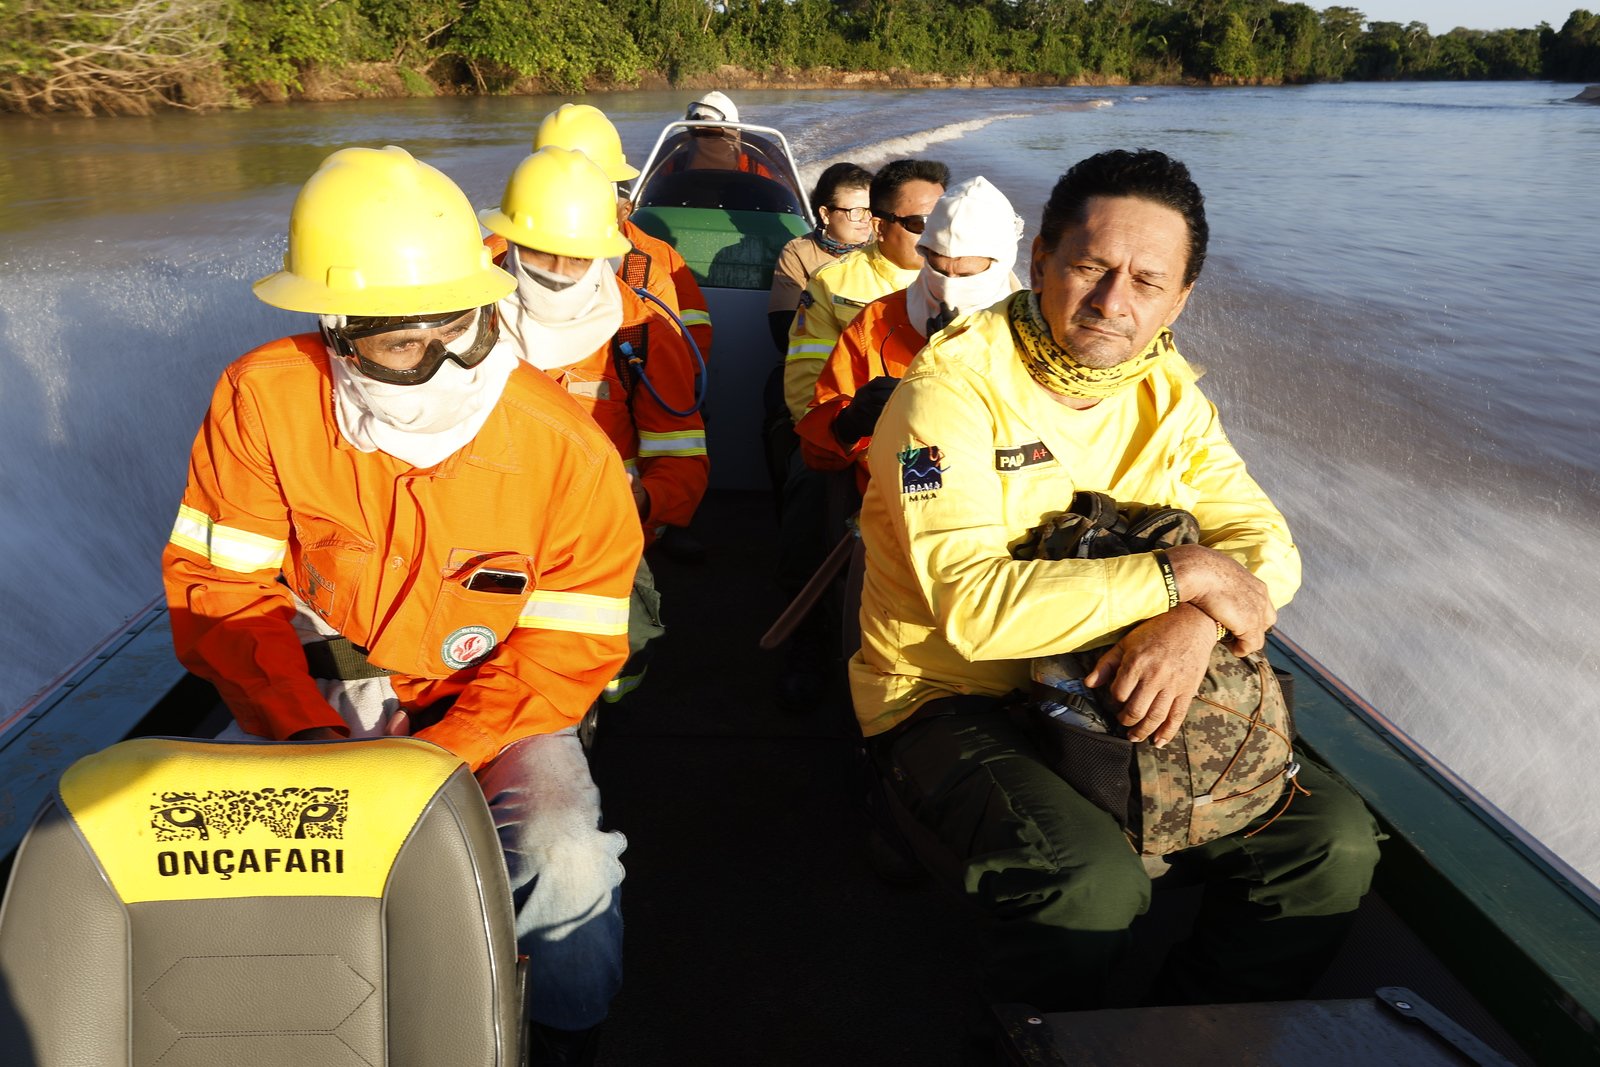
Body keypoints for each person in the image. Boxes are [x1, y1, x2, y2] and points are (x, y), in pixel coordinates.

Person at [854, 149, 1381, 1011]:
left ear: (1181, 300)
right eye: (1091, 268)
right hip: (952, 696)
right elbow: (975, 612)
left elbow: (1267, 542)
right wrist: (1183, 572)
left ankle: (1187, 1032)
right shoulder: (946, 396)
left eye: (1146, 281)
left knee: (1329, 842)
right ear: (1041, 263)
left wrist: (1198, 618)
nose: (1112, 303)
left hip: (1108, 677)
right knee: (1089, 881)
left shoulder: (1167, 392)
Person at [161, 145, 641, 1064]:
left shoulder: (566, 453)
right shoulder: (262, 401)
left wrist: (434, 760)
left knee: (565, 853)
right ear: (336, 329)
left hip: (494, 709)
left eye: (457, 325)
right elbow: (224, 597)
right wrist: (303, 737)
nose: (443, 359)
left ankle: (571, 1032)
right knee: (206, 851)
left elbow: (565, 654)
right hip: (318, 688)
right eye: (399, 342)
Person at [481, 145, 708, 703]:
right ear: (508, 244)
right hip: (481, 535)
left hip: (602, 541)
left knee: (610, 670)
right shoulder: (464, 321)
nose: (558, 274)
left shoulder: (642, 331)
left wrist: (643, 502)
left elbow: (683, 461)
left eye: (577, 257)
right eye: (541, 253)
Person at [771, 158, 948, 713]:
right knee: (809, 495)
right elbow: (805, 395)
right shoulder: (837, 287)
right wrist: (859, 434)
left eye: (944, 222)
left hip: (951, 451)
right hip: (852, 443)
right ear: (880, 225)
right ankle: (805, 640)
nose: (937, 238)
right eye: (920, 224)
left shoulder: (991, 283)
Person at [535, 102, 714, 563]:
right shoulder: (482, 276)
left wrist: (647, 502)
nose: (557, 268)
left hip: (611, 525)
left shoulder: (649, 285)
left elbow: (684, 370)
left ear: (622, 202)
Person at [795, 175, 1024, 494]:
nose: (949, 287)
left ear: (1001, 265)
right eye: (939, 269)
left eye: (967, 276)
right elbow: (817, 454)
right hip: (885, 504)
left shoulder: (1033, 334)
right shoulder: (876, 323)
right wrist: (848, 424)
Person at [534, 103, 714, 369]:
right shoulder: (494, 257)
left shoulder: (655, 265)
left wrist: (682, 378)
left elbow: (687, 350)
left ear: (625, 209)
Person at [767, 161, 875, 354]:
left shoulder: (884, 250)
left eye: (870, 210)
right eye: (856, 211)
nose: (866, 219)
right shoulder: (798, 253)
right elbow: (782, 333)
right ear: (825, 214)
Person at [656, 91, 772, 177]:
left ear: (732, 131)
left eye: (709, 130)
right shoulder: (674, 165)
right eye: (694, 129)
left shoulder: (754, 167)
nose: (698, 131)